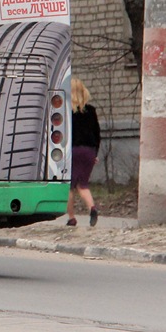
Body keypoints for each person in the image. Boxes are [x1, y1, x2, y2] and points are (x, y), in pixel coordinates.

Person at [66, 78, 101, 227]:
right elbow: (97, 134)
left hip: (72, 151)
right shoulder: (91, 110)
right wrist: (95, 154)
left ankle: (71, 218)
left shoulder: (66, 110)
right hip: (89, 151)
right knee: (83, 185)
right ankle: (92, 208)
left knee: (69, 186)